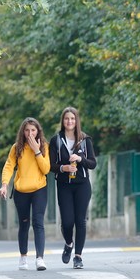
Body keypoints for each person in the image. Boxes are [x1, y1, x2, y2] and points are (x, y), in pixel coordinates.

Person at [0, 117, 51, 271]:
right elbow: (9, 166)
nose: (30, 133)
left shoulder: (44, 146)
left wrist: (37, 151)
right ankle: (23, 257)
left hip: (39, 189)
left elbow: (46, 169)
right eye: (27, 130)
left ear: (38, 131)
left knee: (38, 222)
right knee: (24, 223)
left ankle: (40, 259)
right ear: (23, 132)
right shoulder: (17, 148)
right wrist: (4, 185)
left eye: (33, 130)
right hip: (21, 191)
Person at [49, 107, 97, 270]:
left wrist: (81, 159)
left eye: (72, 118)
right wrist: (64, 168)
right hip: (64, 185)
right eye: (66, 118)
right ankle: (69, 243)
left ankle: (78, 256)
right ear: (63, 121)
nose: (69, 121)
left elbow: (93, 163)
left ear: (76, 121)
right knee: (67, 222)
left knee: (80, 220)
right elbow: (51, 165)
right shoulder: (56, 140)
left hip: (82, 185)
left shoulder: (85, 139)